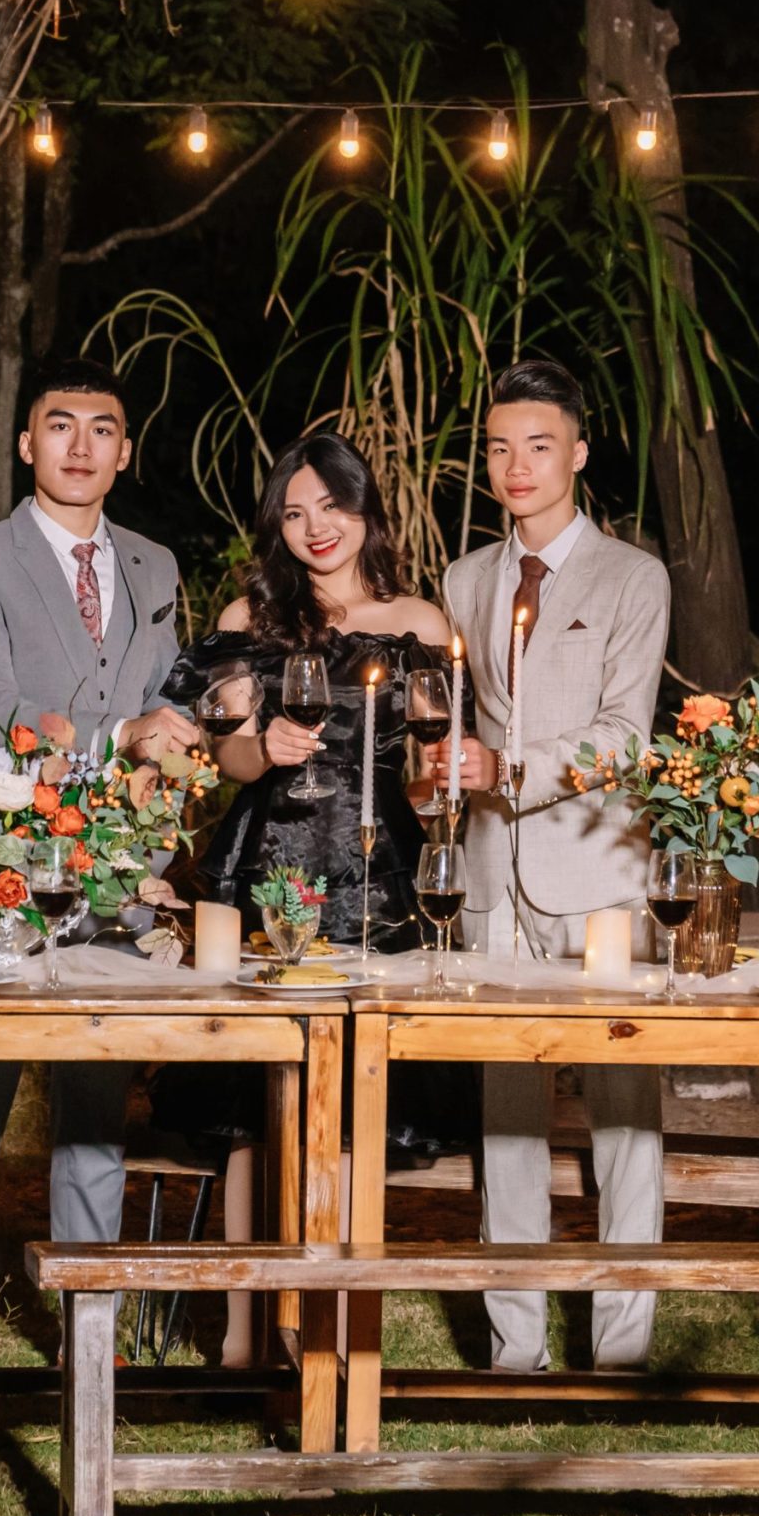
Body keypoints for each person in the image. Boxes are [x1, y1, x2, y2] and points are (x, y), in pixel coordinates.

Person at [0, 357, 206, 1371]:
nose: (80, 445)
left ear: (124, 452)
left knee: (94, 1122)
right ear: (24, 441)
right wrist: (122, 735)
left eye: (102, 428)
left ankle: (89, 1345)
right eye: (59, 425)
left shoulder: (155, 566)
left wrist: (178, 767)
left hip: (123, 877)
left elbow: (171, 703)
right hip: (2, 870)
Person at [429, 358, 672, 1373]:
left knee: (627, 1124)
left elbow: (626, 734)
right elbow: (460, 722)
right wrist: (441, 773)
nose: (515, 465)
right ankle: (513, 1348)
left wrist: (509, 767)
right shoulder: (464, 580)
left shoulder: (633, 577)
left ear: (577, 453)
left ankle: (620, 1351)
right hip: (493, 877)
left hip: (601, 880)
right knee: (508, 1125)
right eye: (498, 448)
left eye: (537, 445)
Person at [157, 431, 473, 1165]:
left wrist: (444, 773)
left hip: (380, 875)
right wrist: (263, 748)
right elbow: (228, 757)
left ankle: (343, 1245)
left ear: (365, 508)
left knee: (367, 1099)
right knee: (252, 1115)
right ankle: (254, 1249)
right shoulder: (247, 619)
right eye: (294, 515)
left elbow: (439, 765)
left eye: (331, 506)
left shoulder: (420, 622)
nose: (316, 528)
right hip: (268, 865)